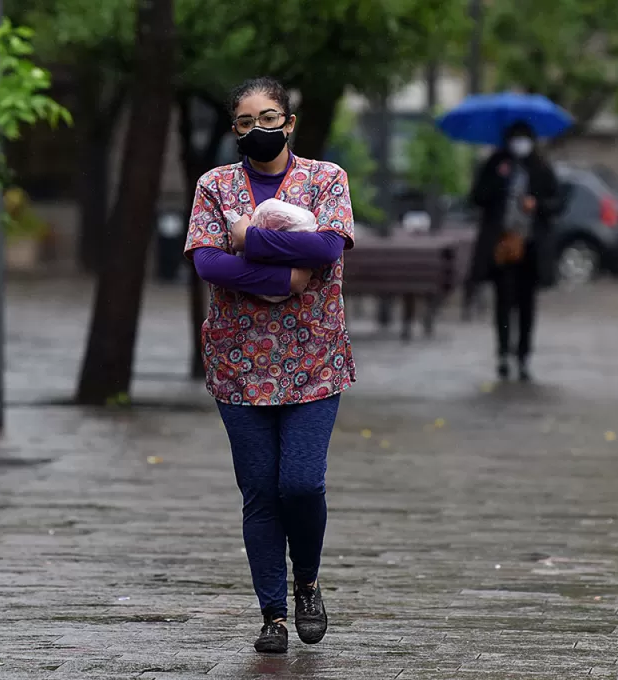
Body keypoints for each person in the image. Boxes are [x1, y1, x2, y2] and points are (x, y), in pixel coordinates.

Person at [184, 76, 356, 654]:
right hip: (238, 364)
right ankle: (273, 615)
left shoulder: (326, 179)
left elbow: (328, 249)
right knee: (259, 491)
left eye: (269, 117)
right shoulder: (215, 186)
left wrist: (247, 237)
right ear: (233, 128)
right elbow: (208, 263)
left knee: (301, 484)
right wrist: (284, 279)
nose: (258, 129)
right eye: (244, 120)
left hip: (315, 360)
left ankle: (306, 580)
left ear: (288, 121)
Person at [467, 121, 559, 382]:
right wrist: (500, 183)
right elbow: (477, 197)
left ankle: (524, 355)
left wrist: (537, 204)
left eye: (524, 138)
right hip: (502, 246)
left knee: (527, 304)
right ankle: (503, 354)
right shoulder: (496, 164)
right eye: (515, 138)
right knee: (504, 302)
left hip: (530, 247)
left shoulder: (540, 167)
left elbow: (557, 202)